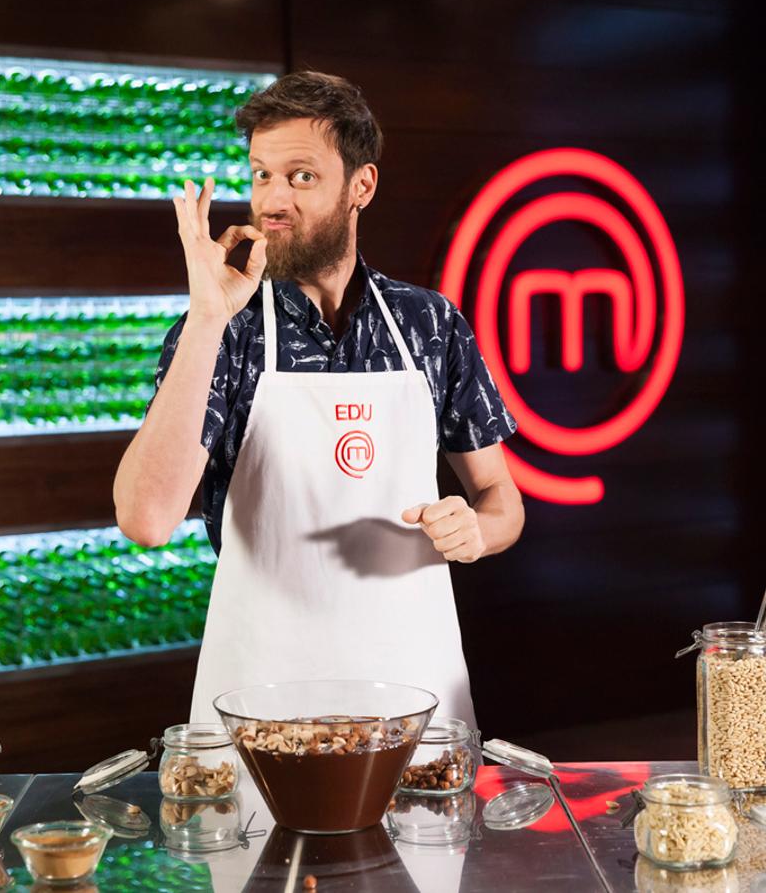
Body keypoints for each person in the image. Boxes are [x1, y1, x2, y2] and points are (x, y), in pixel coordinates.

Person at [113, 71, 524, 726]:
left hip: (415, 694)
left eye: (300, 176)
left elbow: (502, 500)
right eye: (261, 175)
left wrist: (477, 531)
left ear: (362, 185)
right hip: (261, 706)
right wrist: (207, 317)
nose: (273, 200)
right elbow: (146, 519)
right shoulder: (228, 331)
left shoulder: (429, 323)